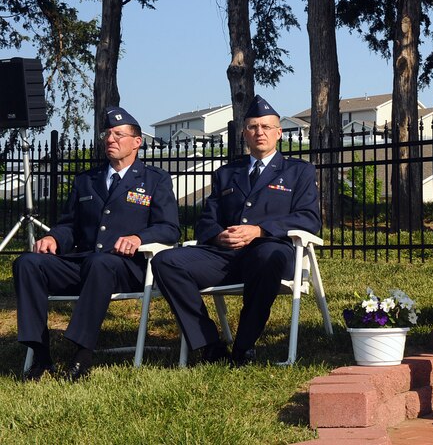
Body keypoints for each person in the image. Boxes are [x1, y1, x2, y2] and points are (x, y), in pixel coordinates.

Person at [14, 107, 181, 382]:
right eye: (107, 135)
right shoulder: (86, 180)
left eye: (118, 134)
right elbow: (70, 225)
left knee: (100, 262)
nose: (110, 139)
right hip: (86, 262)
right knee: (27, 263)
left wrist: (139, 238)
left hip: (126, 268)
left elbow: (169, 228)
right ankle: (40, 355)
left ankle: (82, 354)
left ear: (137, 142)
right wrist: (54, 237)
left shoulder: (154, 180)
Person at [152, 95, 321, 366]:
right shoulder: (227, 173)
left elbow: (309, 219)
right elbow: (207, 220)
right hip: (225, 255)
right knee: (165, 262)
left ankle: (243, 347)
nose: (259, 132)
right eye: (253, 127)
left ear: (279, 132)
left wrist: (261, 230)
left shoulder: (297, 172)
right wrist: (218, 235)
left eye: (266, 127)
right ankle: (209, 344)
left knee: (267, 257)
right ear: (244, 133)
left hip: (270, 253)